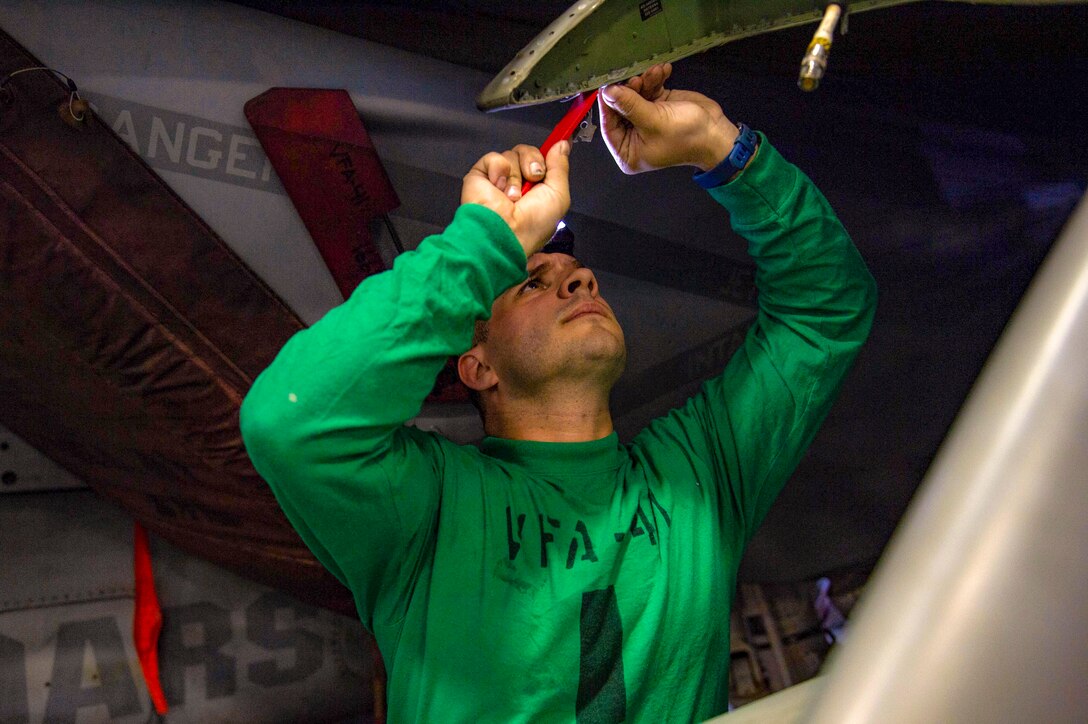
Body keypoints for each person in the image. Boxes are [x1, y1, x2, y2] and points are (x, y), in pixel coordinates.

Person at [240, 64, 877, 722]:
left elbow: (825, 312)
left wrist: (715, 142)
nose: (581, 282)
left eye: (579, 275)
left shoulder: (699, 475)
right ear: (477, 365)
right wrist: (489, 242)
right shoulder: (427, 512)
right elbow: (288, 422)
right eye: (533, 284)